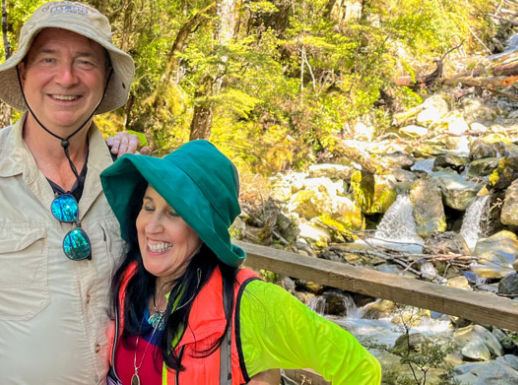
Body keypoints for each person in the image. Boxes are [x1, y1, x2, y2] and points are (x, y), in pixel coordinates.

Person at [100, 140, 382, 384]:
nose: (151, 226)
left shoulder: (250, 303)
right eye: (148, 206)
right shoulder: (130, 277)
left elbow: (360, 369)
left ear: (204, 230)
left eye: (174, 213)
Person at [0, 1, 148, 384]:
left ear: (105, 77)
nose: (66, 78)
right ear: (22, 71)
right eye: (48, 59)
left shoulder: (134, 178)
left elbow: (192, 274)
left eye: (85, 61)